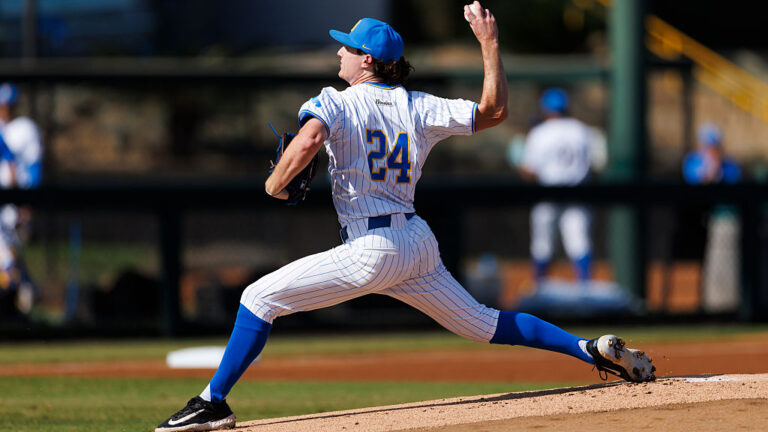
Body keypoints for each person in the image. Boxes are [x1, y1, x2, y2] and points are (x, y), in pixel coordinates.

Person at [156, 4, 655, 431]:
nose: (339, 53)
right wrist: (489, 42)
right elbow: (495, 111)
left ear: (367, 60)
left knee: (257, 297)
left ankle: (211, 403)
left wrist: (273, 183)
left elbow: (307, 141)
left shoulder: (334, 101)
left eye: (348, 48)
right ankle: (589, 348)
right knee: (484, 322)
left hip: (371, 248)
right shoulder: (418, 106)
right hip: (416, 242)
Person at [518, 87, 594, 284]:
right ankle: (585, 289)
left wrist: (518, 162)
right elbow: (596, 164)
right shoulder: (582, 130)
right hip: (576, 192)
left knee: (542, 244)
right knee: (579, 242)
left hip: (548, 193)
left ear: (545, 108)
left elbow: (530, 172)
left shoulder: (540, 133)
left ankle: (540, 287)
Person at [0, 82, 43, 317]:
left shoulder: (25, 128)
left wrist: (28, 201)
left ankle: (17, 304)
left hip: (14, 202)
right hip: (5, 201)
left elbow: (31, 166)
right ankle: (24, 296)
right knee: (9, 252)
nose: (5, 109)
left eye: (9, 105)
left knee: (8, 251)